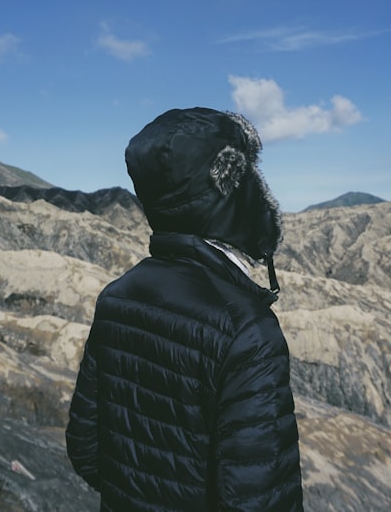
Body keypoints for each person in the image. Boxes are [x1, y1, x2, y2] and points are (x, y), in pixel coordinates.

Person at [66, 107, 303, 511]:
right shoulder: (247, 329)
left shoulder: (117, 296)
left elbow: (86, 447)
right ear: (234, 191)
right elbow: (260, 500)